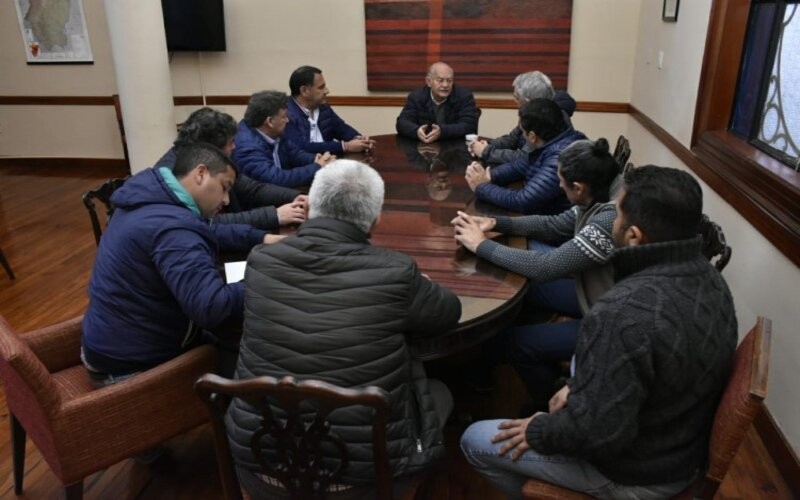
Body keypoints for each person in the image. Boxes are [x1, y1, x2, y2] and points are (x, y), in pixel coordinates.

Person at [460, 165, 738, 499]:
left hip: (637, 473)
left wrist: (540, 429)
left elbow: (597, 433)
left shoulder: (622, 311)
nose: (611, 220)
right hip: (678, 446)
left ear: (633, 236)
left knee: (475, 440)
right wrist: (580, 386)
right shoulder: (712, 281)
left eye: (616, 214)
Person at [227, 159, 462, 498]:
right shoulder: (396, 272)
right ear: (376, 220)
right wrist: (418, 285)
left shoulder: (262, 260)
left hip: (261, 470)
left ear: (310, 208)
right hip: (364, 486)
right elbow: (448, 313)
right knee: (440, 393)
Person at [81, 143, 270, 384]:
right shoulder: (172, 228)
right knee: (258, 363)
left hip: (115, 340)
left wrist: (261, 237)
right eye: (224, 187)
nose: (225, 199)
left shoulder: (150, 199)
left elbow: (206, 231)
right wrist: (270, 278)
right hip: (131, 365)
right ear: (200, 173)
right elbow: (212, 308)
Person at [452, 139, 620, 409]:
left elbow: (546, 266)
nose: (559, 187)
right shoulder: (598, 193)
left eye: (561, 183)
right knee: (523, 289)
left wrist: (480, 245)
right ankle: (483, 367)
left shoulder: (608, 220)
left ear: (579, 187)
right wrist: (496, 222)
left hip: (609, 321)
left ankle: (548, 402)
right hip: (599, 295)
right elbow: (554, 224)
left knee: (517, 343)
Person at [155, 107, 307, 231]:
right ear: (212, 148)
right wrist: (275, 215)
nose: (234, 147)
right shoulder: (174, 178)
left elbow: (251, 189)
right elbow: (204, 222)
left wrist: (297, 196)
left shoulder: (209, 160)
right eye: (231, 142)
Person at [465, 98, 586, 215]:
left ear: (532, 136)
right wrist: (488, 176)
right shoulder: (549, 141)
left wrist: (482, 187)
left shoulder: (561, 157)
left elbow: (522, 201)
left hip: (553, 222)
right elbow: (517, 167)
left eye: (523, 132)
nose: (522, 136)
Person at [232, 90, 336, 188]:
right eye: (284, 116)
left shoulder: (272, 132)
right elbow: (276, 179)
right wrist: (317, 166)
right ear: (270, 121)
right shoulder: (246, 147)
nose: (287, 120)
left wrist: (316, 159)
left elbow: (294, 153)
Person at [468, 71, 577, 164]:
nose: (514, 101)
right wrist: (486, 145)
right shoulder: (535, 111)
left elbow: (525, 158)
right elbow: (512, 139)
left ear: (527, 101)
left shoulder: (549, 119)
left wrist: (486, 152)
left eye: (516, 98)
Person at [284, 65, 375, 154]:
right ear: (304, 91)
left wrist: (359, 139)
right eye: (321, 87)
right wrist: (345, 146)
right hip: (305, 163)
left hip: (329, 160)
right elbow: (302, 147)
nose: (327, 91)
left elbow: (341, 128)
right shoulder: (285, 114)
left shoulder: (323, 107)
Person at [396, 61, 479, 143]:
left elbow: (469, 126)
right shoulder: (417, 97)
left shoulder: (464, 96)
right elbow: (402, 123)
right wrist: (416, 131)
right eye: (440, 80)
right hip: (424, 147)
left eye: (449, 80)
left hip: (455, 147)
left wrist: (442, 132)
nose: (445, 85)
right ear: (429, 81)